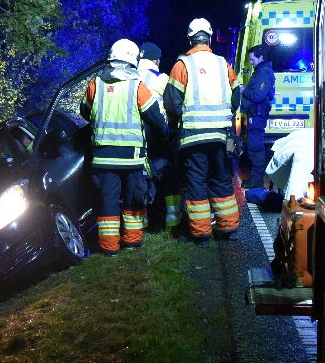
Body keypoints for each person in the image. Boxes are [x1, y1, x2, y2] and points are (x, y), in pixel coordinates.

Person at [80, 39, 168, 255]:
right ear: (132, 60)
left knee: (107, 201)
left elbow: (85, 112)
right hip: (132, 157)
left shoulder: (95, 84)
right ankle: (132, 241)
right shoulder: (137, 86)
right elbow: (154, 117)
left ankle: (109, 247)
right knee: (133, 199)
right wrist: (164, 135)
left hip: (103, 156)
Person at [163, 18, 240, 246]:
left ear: (190, 38)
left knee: (196, 182)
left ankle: (202, 235)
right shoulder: (223, 64)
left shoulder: (182, 65)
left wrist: (181, 122)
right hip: (219, 135)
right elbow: (236, 96)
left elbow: (171, 103)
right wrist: (225, 114)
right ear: (209, 37)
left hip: (192, 137)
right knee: (221, 179)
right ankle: (228, 230)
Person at [136, 42, 170, 232]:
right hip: (155, 134)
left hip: (132, 136)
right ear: (156, 59)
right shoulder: (160, 78)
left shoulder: (131, 76)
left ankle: (140, 221)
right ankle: (158, 222)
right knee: (159, 176)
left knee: (138, 178)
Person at [240, 44, 276, 189]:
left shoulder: (264, 73)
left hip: (257, 115)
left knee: (256, 147)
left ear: (261, 57)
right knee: (253, 146)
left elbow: (257, 95)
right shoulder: (260, 71)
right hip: (254, 114)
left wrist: (243, 90)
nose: (251, 62)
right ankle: (256, 178)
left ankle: (257, 179)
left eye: (252, 59)